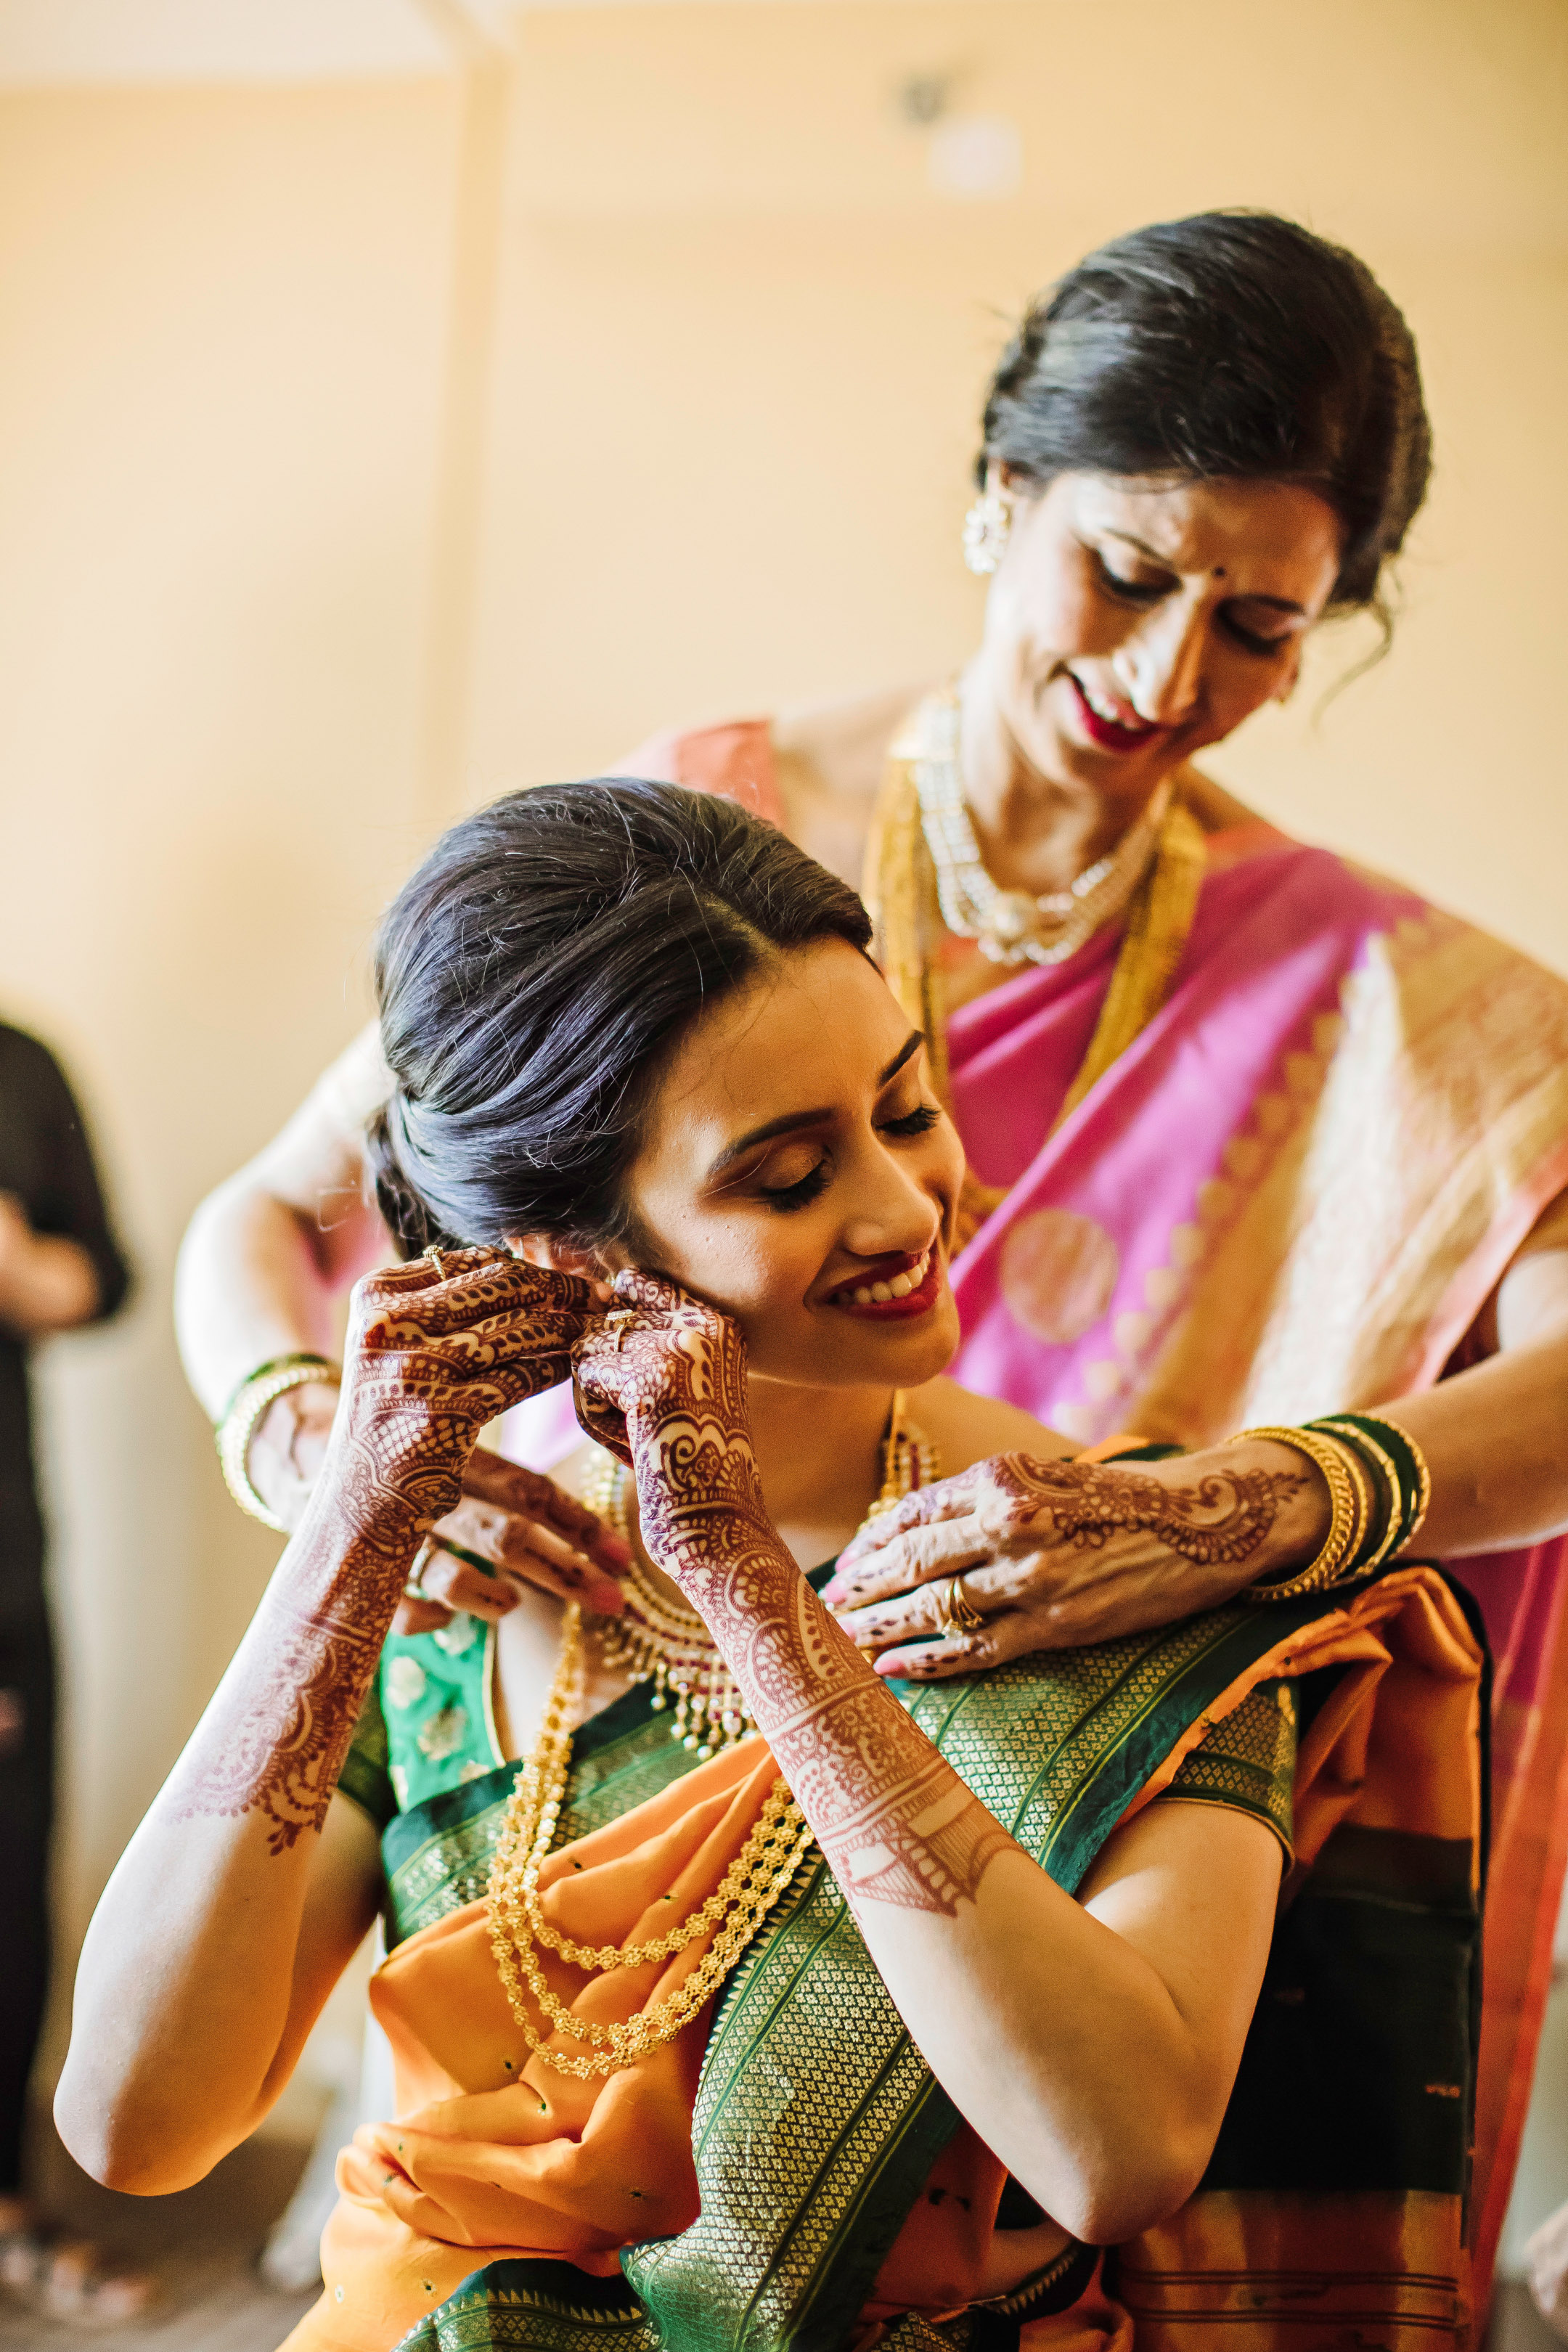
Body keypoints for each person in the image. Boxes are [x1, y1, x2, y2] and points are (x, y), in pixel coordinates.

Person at [172, 212, 1568, 2284]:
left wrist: (1234, 1512)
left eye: (1263, 628)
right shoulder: (704, 846)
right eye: (1128, 573)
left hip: (1075, 1764)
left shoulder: (1386, 993)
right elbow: (283, 1207)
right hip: (635, 1667)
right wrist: (317, 1460)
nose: (1174, 677)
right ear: (1005, 498)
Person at [66, 785, 1484, 2351]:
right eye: (790, 1176)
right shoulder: (466, 1584)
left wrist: (747, 1585)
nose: (905, 1207)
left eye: (909, 1107)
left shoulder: (1099, 1563)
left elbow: (1118, 2149)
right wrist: (345, 1532)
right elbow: (136, 2126)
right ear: (573, 1253)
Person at [0, 1022, 141, 2322]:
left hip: (0, 1548)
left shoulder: (23, 1068)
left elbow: (103, 1280)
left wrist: (18, 1264)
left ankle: (6, 2204)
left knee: (5, 1866)